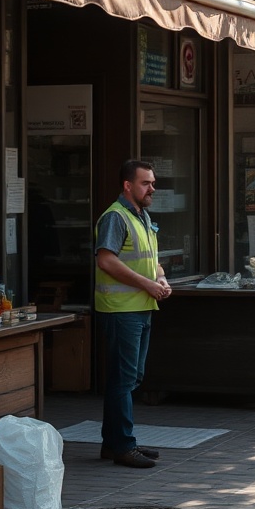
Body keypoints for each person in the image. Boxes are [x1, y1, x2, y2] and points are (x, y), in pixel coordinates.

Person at [95, 159, 172, 468]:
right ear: (127, 185)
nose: (151, 187)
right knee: (124, 379)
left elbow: (151, 258)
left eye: (152, 182)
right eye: (145, 183)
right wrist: (147, 284)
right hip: (122, 310)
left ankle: (113, 443)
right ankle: (123, 446)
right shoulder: (115, 217)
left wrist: (161, 279)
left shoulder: (141, 215)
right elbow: (106, 261)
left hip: (140, 307)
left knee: (129, 378)